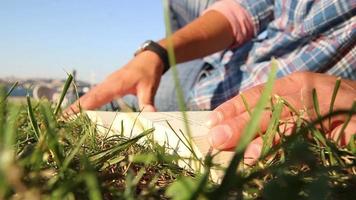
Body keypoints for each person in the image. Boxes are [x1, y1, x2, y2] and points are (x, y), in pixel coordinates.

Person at [66, 0, 356, 160]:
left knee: (111, 107)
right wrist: (157, 53)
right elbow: (245, 11)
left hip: (209, 102)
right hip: (212, 66)